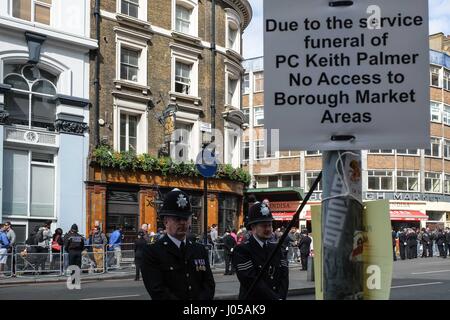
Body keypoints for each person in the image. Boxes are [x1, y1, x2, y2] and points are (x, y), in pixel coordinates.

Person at [141, 188, 215, 300]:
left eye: (186, 218)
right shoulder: (152, 252)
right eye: (177, 218)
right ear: (166, 221)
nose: (183, 223)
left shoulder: (199, 250)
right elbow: (158, 291)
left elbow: (209, 285)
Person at [232, 201, 289, 300]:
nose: (268, 229)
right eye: (263, 225)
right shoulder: (242, 250)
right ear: (253, 228)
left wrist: (281, 297)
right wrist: (274, 298)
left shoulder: (276, 248)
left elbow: (284, 277)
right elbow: (250, 281)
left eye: (270, 225)